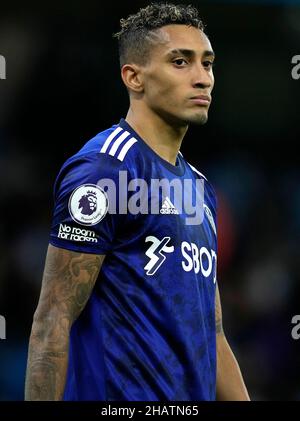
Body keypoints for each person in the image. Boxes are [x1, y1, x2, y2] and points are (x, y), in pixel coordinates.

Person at [25, 2, 250, 401]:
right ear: (134, 77)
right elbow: (53, 319)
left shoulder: (200, 190)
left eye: (207, 63)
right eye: (180, 62)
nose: (203, 79)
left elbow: (212, 333)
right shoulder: (104, 171)